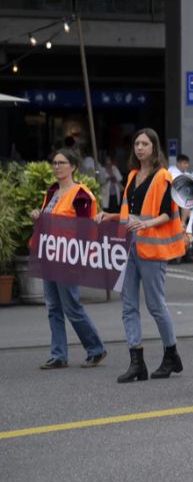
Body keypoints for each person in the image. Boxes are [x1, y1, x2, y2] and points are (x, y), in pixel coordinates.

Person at [96, 128, 186, 383]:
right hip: (130, 247)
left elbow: (169, 212)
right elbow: (128, 213)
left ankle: (171, 354)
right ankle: (137, 362)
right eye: (136, 143)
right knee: (128, 306)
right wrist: (109, 215)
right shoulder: (133, 174)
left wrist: (146, 225)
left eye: (144, 143)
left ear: (154, 148)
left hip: (152, 248)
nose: (139, 148)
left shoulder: (163, 176)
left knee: (156, 305)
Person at [31, 149, 107, 370]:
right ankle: (59, 355)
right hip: (49, 255)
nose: (56, 166)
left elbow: (85, 230)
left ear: (73, 167)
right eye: (54, 162)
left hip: (67, 257)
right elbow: (49, 220)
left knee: (71, 306)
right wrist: (39, 215)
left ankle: (95, 349)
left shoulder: (81, 194)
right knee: (53, 307)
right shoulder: (52, 191)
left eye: (61, 163)